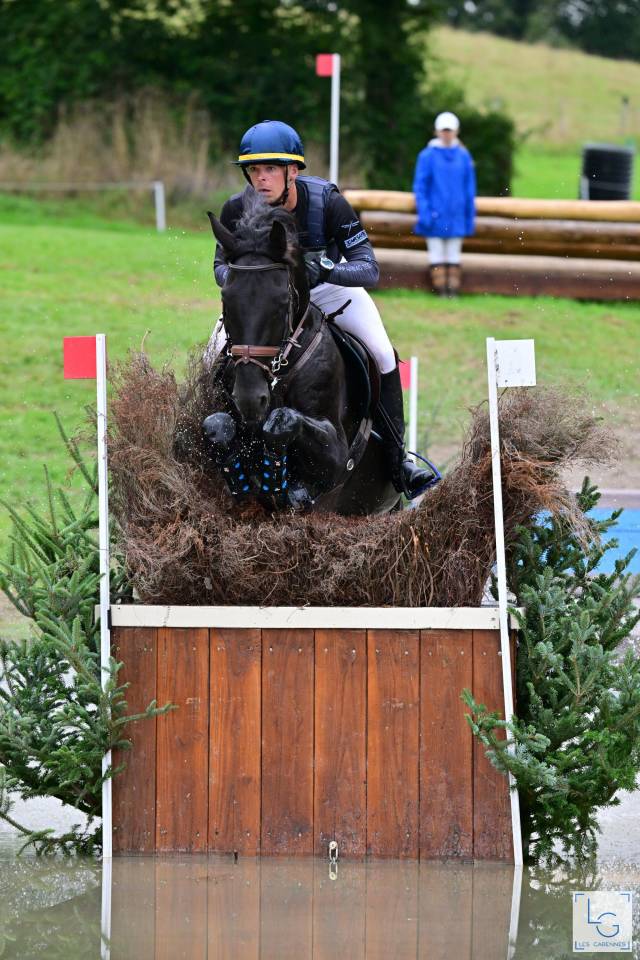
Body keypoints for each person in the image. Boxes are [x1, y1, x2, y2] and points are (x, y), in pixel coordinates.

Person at [211, 119, 433, 498]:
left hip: (330, 292)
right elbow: (219, 267)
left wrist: (328, 267)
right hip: (264, 301)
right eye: (254, 170)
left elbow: (369, 267)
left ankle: (399, 462)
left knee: (381, 352)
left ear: (292, 171)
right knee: (211, 354)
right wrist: (245, 279)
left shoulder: (327, 202)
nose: (260, 179)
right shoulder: (236, 209)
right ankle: (213, 446)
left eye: (270, 169)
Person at [412, 111, 476, 297]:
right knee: (437, 254)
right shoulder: (427, 156)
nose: (447, 134)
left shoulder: (464, 156)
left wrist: (468, 216)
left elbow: (469, 189)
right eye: (444, 130)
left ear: (456, 131)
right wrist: (425, 213)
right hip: (434, 213)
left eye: (450, 130)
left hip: (456, 214)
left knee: (454, 254)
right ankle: (440, 289)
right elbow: (421, 187)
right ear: (437, 132)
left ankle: (453, 290)